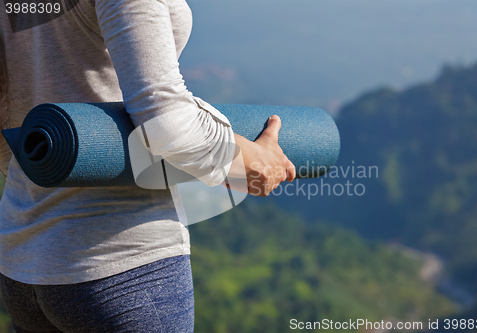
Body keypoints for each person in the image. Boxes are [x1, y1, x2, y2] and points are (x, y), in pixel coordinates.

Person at [0, 0, 295, 332]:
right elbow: (165, 120)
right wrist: (248, 160)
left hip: (22, 260)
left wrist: (41, 182)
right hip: (122, 263)